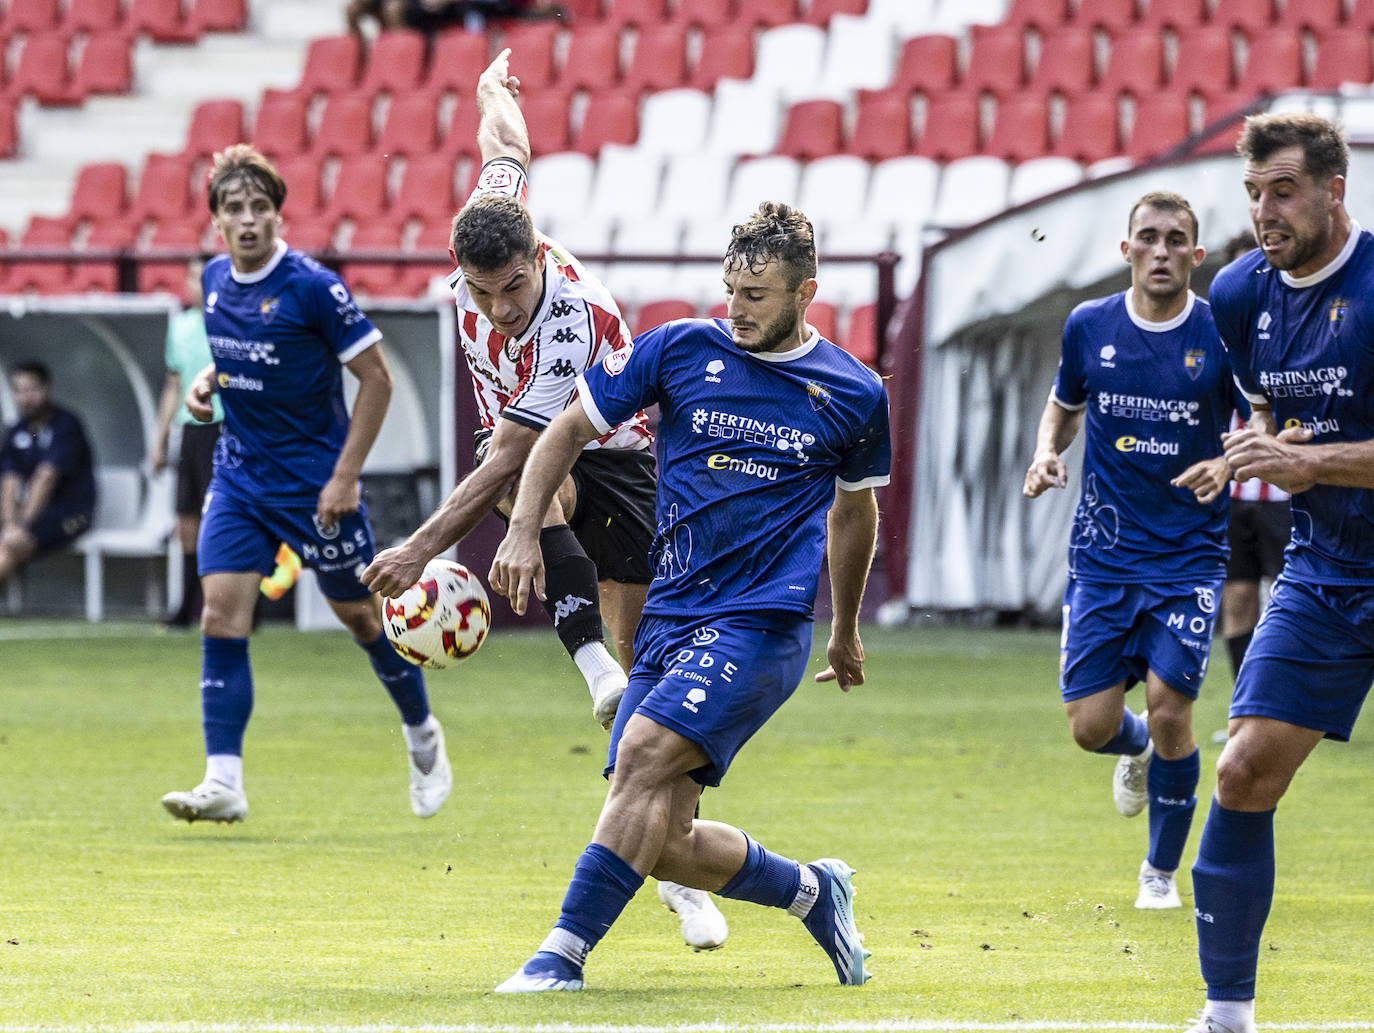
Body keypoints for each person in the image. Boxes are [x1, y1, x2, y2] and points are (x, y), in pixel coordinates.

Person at [359, 49, 728, 950]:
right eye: (480, 291)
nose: (497, 310)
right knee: (611, 658)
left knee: (651, 675)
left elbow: (526, 452)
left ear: (537, 257)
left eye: (512, 286)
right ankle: (595, 674)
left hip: (626, 449)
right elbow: (506, 145)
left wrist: (425, 547)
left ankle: (669, 855)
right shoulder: (493, 226)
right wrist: (491, 91)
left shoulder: (567, 313)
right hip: (538, 450)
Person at [486, 199, 891, 992]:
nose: (736, 310)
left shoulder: (853, 391)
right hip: (672, 618)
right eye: (731, 290)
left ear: (806, 292)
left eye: (758, 295)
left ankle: (559, 956)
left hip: (761, 625)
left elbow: (855, 512)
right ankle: (814, 890)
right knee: (660, 837)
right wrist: (524, 526)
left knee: (637, 760)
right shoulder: (676, 349)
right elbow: (564, 430)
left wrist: (844, 627)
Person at [160, 144, 451, 825]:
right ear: (217, 224)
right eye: (235, 209)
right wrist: (210, 383)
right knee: (219, 615)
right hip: (239, 477)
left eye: (260, 206)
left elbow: (375, 380)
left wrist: (345, 476)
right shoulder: (211, 281)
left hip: (317, 486)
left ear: (277, 214)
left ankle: (421, 731)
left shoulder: (314, 286)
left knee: (360, 617)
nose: (249, 219)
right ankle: (223, 778)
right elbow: (242, 364)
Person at [1187, 112, 1374, 1033]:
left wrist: (1314, 462)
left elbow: (1315, 450)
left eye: (1286, 191)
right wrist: (1250, 453)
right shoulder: (1236, 295)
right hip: (1329, 568)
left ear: (1336, 190)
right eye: (1255, 193)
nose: (1267, 211)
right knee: (1244, 770)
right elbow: (1282, 418)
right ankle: (1227, 1015)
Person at [1022, 192, 1243, 910]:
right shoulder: (1090, 326)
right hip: (1104, 555)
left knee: (1172, 703)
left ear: (1195, 255)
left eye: (1176, 239)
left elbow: (1264, 418)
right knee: (1090, 728)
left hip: (1189, 556)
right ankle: (1139, 747)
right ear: (1125, 250)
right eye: (1147, 237)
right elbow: (1065, 400)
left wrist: (1231, 461)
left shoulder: (1221, 334)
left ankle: (1159, 873)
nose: (1160, 250)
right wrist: (1047, 451)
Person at [1215, 233, 1290, 686]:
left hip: (1284, 493)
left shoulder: (1291, 327)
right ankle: (1246, 703)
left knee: (1287, 600)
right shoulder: (1216, 336)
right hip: (1234, 491)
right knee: (1238, 599)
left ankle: (1287, 707)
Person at [151, 258, 221, 629]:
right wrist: (160, 439)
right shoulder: (179, 326)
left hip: (225, 428)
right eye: (194, 277)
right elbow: (174, 385)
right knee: (186, 522)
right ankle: (188, 605)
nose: (199, 285)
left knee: (221, 520)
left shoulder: (231, 324)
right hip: (191, 431)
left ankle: (236, 605)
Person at [0, 360, 96, 590]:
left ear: (47, 388)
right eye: (20, 391)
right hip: (29, 512)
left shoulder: (65, 426)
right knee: (9, 539)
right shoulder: (17, 431)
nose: (26, 398)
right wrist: (10, 523)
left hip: (72, 512)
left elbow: (46, 478)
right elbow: (9, 481)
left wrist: (20, 526)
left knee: (13, 543)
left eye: (32, 389)